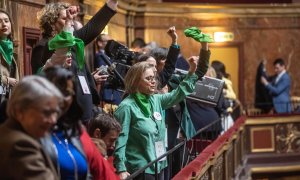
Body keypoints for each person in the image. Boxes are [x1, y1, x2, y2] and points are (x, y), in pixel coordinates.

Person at [31, 0, 118, 123]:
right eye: (65, 18)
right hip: (67, 115)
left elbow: (92, 28)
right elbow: (46, 79)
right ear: (52, 23)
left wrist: (111, 4)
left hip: (86, 113)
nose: (70, 22)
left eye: (71, 18)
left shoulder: (73, 42)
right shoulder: (45, 46)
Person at [113, 54, 198, 180]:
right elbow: (120, 140)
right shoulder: (126, 107)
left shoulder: (155, 100)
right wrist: (121, 168)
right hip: (140, 169)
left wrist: (191, 72)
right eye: (148, 78)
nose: (153, 82)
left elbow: (177, 95)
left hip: (160, 163)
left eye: (153, 78)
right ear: (136, 82)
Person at [42, 66, 118, 180]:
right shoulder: (31, 131)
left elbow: (104, 173)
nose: (61, 98)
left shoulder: (76, 129)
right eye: (57, 91)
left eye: (67, 93)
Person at [0, 75, 63, 179]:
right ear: (20, 111)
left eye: (55, 112)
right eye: (46, 113)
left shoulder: (12, 132)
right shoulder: (19, 146)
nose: (53, 120)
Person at [0, 9, 20, 122]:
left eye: (6, 21)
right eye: (0, 21)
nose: (4, 24)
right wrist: (7, 80)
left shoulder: (11, 50)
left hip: (9, 102)